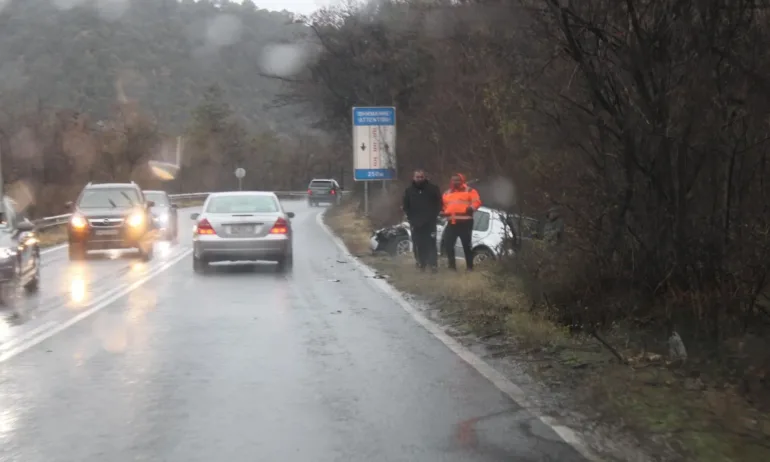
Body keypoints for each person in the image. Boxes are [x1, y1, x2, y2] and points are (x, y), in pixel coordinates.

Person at [402, 169, 442, 271]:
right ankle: (421, 263)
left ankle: (433, 265)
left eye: (421, 177)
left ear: (424, 177)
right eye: (417, 177)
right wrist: (411, 218)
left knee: (431, 243)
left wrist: (434, 216)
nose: (419, 179)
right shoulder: (409, 190)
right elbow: (406, 206)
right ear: (413, 178)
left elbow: (439, 204)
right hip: (415, 223)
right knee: (418, 244)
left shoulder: (433, 189)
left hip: (430, 222)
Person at [441, 173, 481, 270]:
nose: (455, 182)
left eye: (458, 180)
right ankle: (452, 267)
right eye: (454, 180)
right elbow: (443, 206)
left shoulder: (470, 191)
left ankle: (470, 267)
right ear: (451, 181)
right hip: (452, 223)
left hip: (465, 223)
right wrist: (442, 212)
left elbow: (477, 202)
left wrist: (471, 208)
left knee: (466, 245)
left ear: (462, 180)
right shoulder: (447, 193)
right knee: (448, 244)